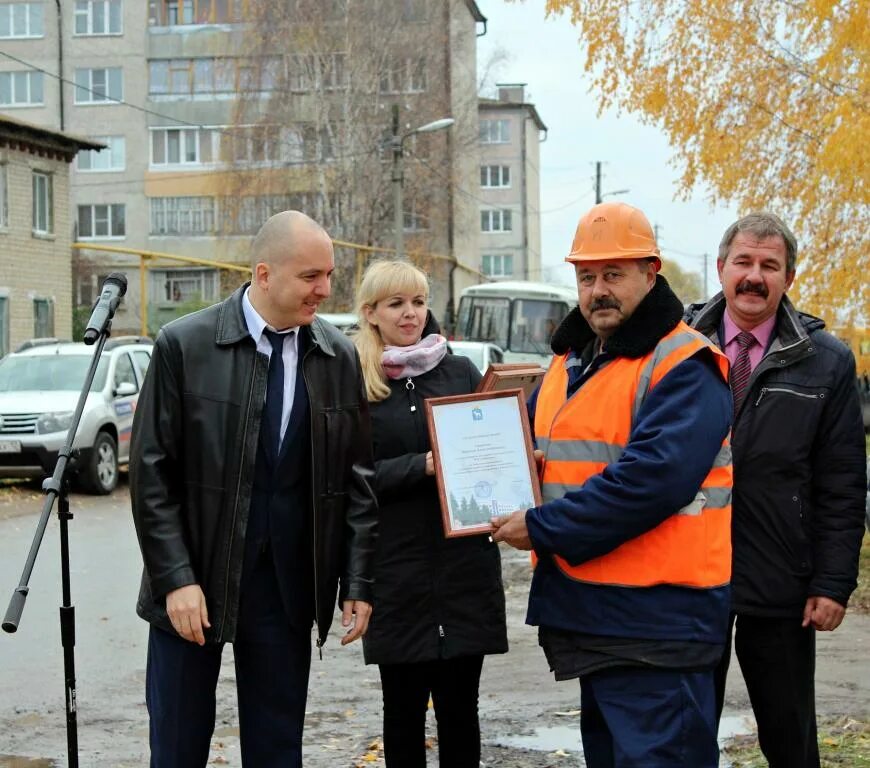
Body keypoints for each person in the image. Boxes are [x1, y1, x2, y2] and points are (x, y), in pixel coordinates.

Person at [130, 210, 378, 768]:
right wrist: (176, 580)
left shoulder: (337, 356)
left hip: (285, 590)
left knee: (276, 749)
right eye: (311, 276)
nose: (325, 289)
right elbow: (151, 477)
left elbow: (357, 480)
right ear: (264, 275)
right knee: (176, 745)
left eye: (330, 274)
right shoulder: (184, 345)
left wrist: (358, 580)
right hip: (194, 585)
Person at [492, 201, 733, 767]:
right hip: (596, 618)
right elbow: (535, 456)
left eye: (614, 275)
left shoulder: (686, 363)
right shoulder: (569, 364)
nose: (598, 290)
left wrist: (540, 526)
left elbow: (648, 483)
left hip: (659, 627)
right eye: (587, 276)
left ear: (651, 274)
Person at [686, 212, 866, 768]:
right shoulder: (677, 348)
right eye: (743, 262)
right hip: (689, 571)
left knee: (789, 737)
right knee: (687, 736)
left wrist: (833, 582)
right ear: (721, 268)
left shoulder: (826, 361)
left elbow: (842, 482)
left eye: (770, 265)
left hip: (781, 574)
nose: (754, 277)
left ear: (789, 276)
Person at [353, 259, 508, 767]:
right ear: (371, 312)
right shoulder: (356, 381)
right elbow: (346, 481)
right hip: (396, 575)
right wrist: (416, 466)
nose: (410, 314)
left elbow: (486, 452)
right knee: (401, 714)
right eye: (396, 304)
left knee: (461, 710)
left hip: (463, 569)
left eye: (418, 302)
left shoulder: (458, 370)